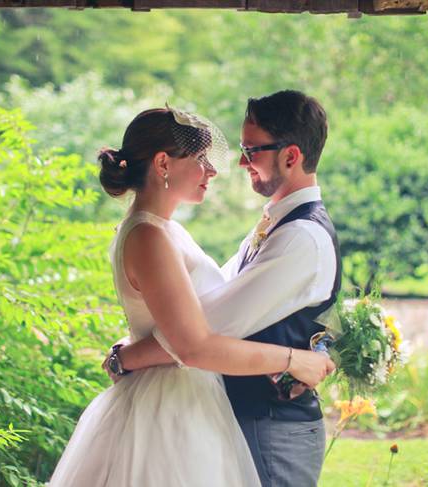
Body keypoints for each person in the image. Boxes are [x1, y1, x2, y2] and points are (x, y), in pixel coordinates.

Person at [48, 105, 334, 487]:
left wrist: (129, 353)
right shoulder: (148, 236)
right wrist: (292, 359)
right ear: (163, 163)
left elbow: (212, 309)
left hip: (189, 398)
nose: (213, 171)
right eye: (201, 160)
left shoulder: (164, 231)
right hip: (169, 409)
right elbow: (194, 347)